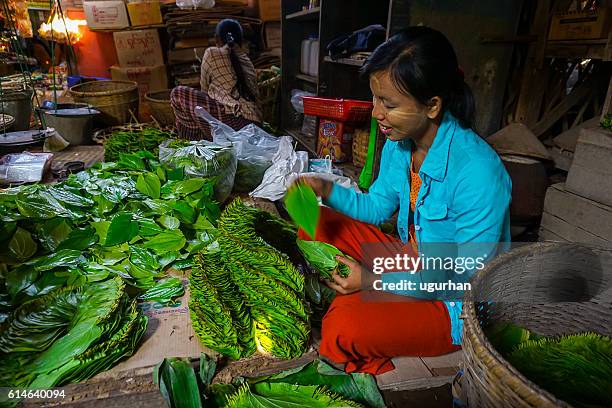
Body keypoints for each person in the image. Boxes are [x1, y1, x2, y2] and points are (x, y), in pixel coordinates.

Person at [296, 26, 512, 375]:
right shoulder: (401, 143)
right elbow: (377, 207)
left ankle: (363, 305)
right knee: (314, 222)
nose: (376, 113)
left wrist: (371, 281)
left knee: (340, 331)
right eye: (375, 99)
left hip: (453, 301)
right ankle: (361, 297)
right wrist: (326, 190)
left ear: (432, 105)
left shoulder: (478, 174)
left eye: (389, 103)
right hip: (412, 263)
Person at [170, 19, 262, 140]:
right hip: (255, 126)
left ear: (216, 39)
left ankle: (191, 143)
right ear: (240, 40)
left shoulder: (212, 53)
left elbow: (204, 90)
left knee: (178, 94)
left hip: (234, 124)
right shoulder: (247, 60)